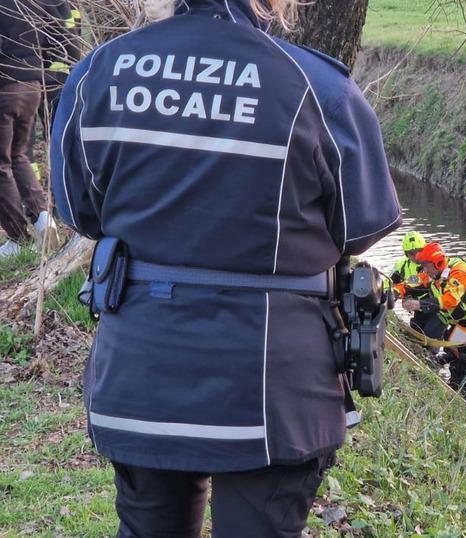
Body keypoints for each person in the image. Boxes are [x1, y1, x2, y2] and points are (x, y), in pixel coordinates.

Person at [50, 0, 401, 536]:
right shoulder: (316, 86)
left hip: (140, 376)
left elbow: (80, 212)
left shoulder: (97, 73)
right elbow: (361, 226)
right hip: (273, 392)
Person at [0, 0, 65, 257]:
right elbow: (56, 38)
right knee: (18, 157)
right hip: (32, 86)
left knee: (2, 164)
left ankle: (18, 238)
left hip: (4, 87)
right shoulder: (33, 3)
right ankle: (43, 219)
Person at [404, 241, 466, 387]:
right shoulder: (430, 274)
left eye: (426, 266)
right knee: (454, 358)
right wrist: (395, 290)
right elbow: (412, 281)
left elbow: (451, 299)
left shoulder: (459, 272)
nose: (424, 271)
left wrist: (420, 304)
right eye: (423, 267)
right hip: (461, 324)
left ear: (438, 263)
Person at [391, 230, 446, 344]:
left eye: (418, 252)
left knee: (431, 335)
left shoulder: (436, 265)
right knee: (416, 334)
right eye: (411, 253)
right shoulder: (403, 266)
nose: (415, 256)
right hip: (419, 309)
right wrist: (394, 293)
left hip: (438, 310)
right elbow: (413, 281)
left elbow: (449, 300)